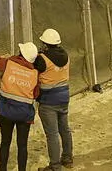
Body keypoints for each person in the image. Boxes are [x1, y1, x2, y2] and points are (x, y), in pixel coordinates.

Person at [0, 42, 40, 171]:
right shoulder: (35, 73)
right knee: (22, 146)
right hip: (24, 114)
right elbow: (36, 94)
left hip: (6, 111)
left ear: (21, 54)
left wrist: (3, 57)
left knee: (5, 142)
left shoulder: (8, 64)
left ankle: (3, 169)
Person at [34, 28, 74, 171]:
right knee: (65, 129)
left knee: (52, 134)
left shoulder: (42, 58)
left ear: (45, 43)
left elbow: (34, 69)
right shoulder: (66, 55)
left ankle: (55, 166)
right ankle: (68, 158)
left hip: (48, 101)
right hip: (64, 98)